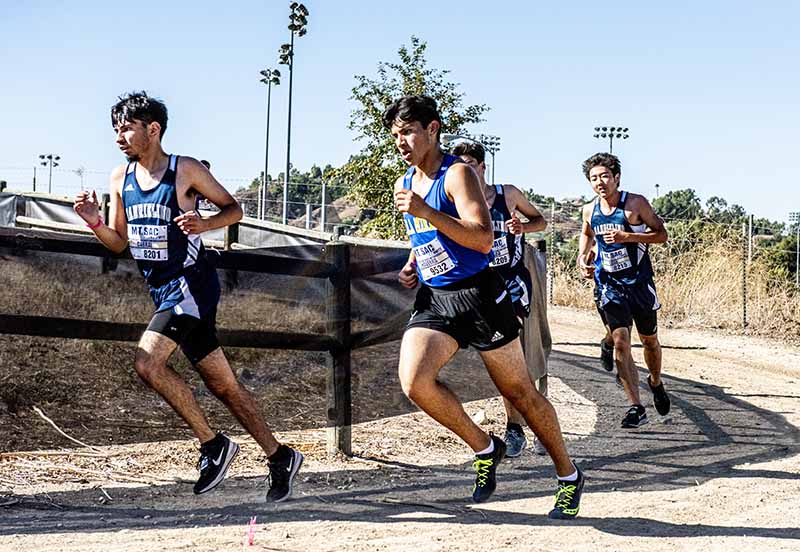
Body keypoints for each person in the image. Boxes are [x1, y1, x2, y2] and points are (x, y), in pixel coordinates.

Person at [73, 91, 302, 502]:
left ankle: (213, 445)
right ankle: (279, 455)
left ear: (153, 129)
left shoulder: (185, 170)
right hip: (163, 291)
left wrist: (204, 223)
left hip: (190, 285)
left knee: (148, 362)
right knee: (223, 385)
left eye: (125, 127)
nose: (118, 137)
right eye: (115, 129)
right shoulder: (119, 178)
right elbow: (118, 242)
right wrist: (93, 222)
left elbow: (234, 210)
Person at [386, 94, 584, 519]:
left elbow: (481, 238)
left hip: (480, 294)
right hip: (436, 297)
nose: (400, 142)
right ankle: (484, 446)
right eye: (395, 135)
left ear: (432, 129)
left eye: (407, 132)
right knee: (415, 382)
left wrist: (425, 210)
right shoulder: (405, 183)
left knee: (520, 393)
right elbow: (424, 236)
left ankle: (568, 476)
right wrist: (412, 264)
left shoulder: (457, 174)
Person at [451, 140, 548, 457]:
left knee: (514, 353)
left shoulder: (507, 195)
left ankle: (515, 427)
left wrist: (522, 226)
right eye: (458, 165)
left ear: (481, 167)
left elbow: (541, 221)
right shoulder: (455, 200)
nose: (462, 171)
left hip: (511, 281)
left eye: (468, 164)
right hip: (477, 282)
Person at [577, 152, 671, 428]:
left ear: (616, 177)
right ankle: (636, 407)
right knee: (622, 341)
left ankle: (655, 381)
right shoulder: (589, 209)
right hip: (609, 284)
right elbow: (586, 232)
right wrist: (583, 258)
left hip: (639, 284)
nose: (599, 183)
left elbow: (661, 235)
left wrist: (628, 236)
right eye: (594, 178)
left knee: (649, 340)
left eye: (605, 176)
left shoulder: (635, 204)